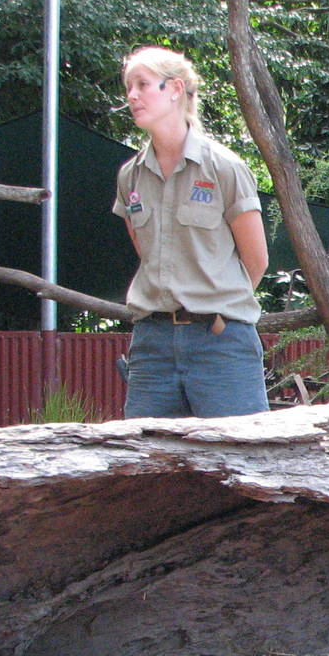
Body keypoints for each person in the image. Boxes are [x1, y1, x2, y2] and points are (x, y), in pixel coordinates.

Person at [113, 45, 271, 418]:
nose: (132, 95)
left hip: (220, 341)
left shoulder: (224, 167)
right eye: (128, 87)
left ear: (176, 89)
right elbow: (147, 253)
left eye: (143, 84)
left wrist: (215, 306)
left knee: (241, 462)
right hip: (152, 343)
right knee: (147, 466)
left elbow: (257, 260)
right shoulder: (129, 176)